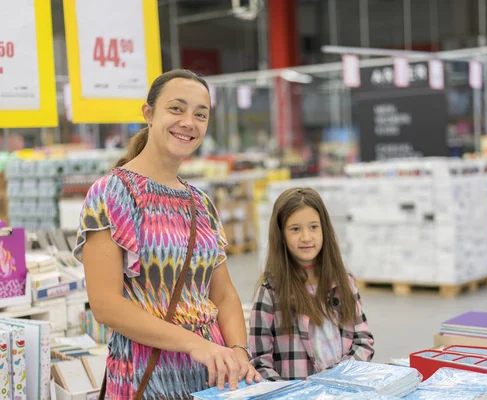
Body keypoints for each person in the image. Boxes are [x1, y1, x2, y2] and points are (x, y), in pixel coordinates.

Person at [74, 69, 261, 399]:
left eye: (200, 114)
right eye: (176, 108)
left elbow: (224, 295)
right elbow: (104, 305)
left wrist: (238, 352)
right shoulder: (112, 194)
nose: (188, 122)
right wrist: (194, 344)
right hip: (145, 375)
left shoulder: (200, 202)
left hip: (211, 377)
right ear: (148, 113)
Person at [250, 188, 374, 381]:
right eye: (295, 229)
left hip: (343, 391)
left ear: (324, 229)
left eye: (314, 227)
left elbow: (363, 341)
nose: (306, 237)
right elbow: (260, 362)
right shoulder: (270, 291)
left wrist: (337, 377)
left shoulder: (344, 282)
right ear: (281, 234)